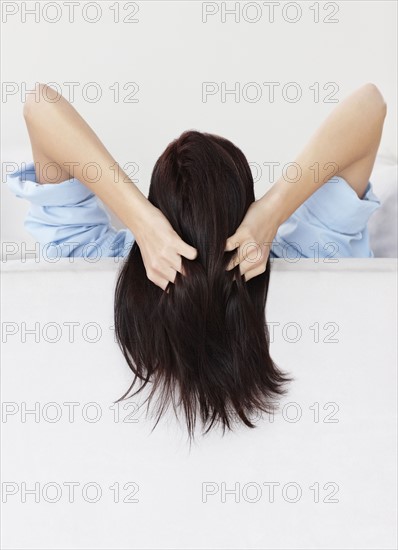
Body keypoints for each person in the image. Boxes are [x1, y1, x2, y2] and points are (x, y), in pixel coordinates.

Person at [5, 83, 386, 437]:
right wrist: (272, 212)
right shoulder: (313, 259)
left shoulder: (87, 259)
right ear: (243, 208)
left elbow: (39, 106)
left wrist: (139, 218)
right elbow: (370, 105)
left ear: (158, 207)